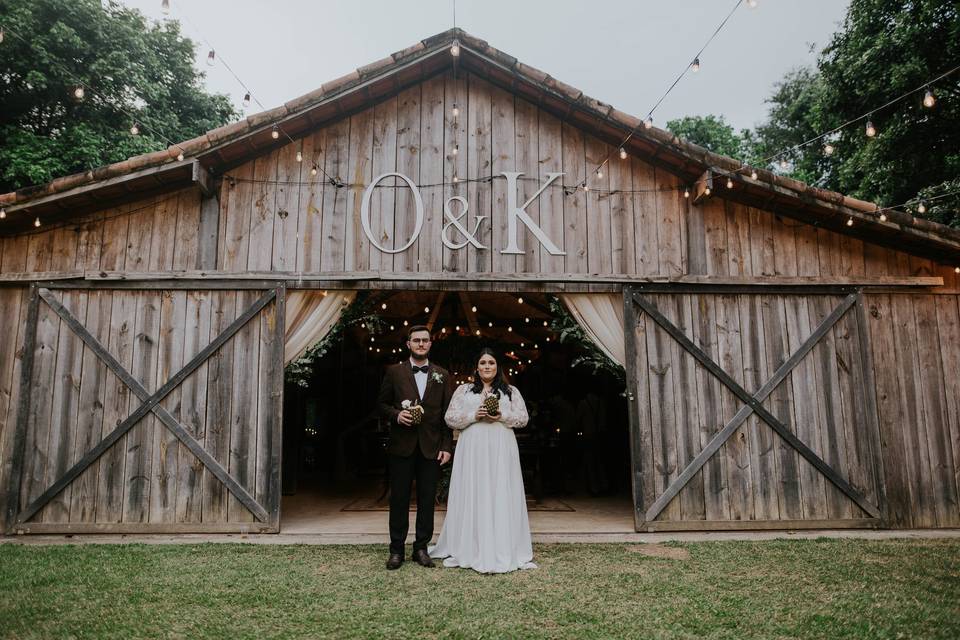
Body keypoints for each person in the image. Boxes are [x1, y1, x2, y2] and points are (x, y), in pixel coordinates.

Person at [429, 347, 537, 573]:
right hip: (472, 447)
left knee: (500, 490)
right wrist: (473, 416)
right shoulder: (464, 390)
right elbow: (450, 418)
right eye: (483, 363)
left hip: (500, 446)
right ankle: (470, 545)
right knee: (473, 490)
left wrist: (502, 416)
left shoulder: (510, 391)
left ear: (497, 367)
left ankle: (502, 544)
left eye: (491, 363)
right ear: (476, 368)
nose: (487, 366)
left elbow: (523, 418)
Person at [377, 325, 454, 570]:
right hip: (402, 446)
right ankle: (396, 550)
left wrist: (446, 446)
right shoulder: (394, 372)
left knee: (427, 500)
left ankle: (421, 548)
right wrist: (397, 415)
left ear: (431, 344)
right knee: (399, 499)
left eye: (425, 340)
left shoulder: (442, 375)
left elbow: (447, 415)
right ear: (408, 344)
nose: (421, 344)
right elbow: (381, 404)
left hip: (431, 448)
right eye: (416, 340)